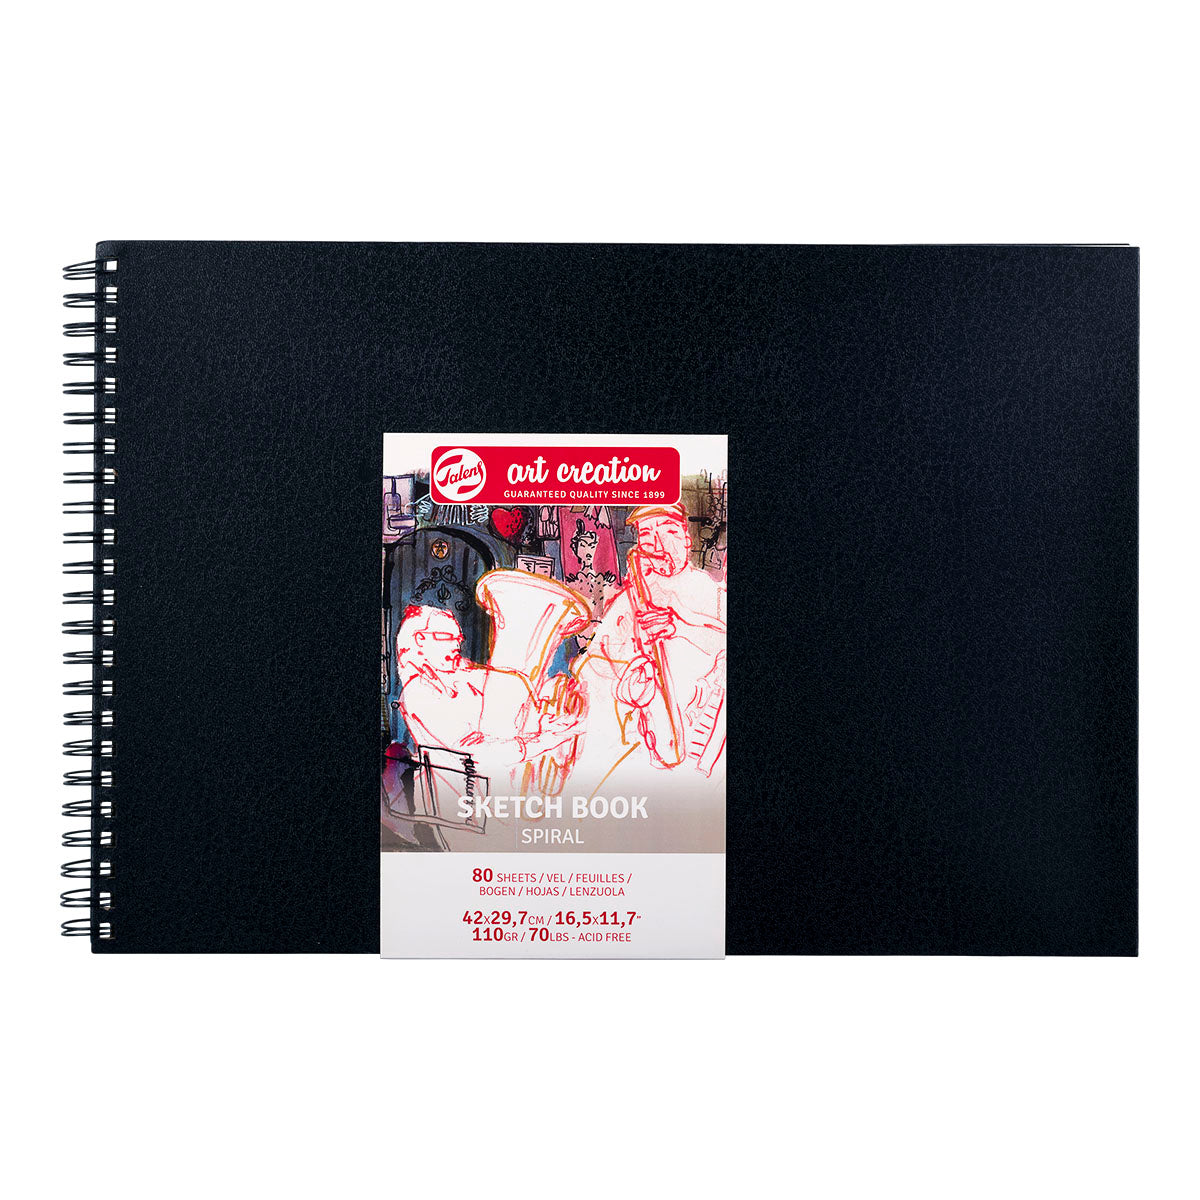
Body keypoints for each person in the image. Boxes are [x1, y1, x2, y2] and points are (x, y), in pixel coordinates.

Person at [572, 502, 727, 781]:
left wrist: (679, 626)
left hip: (704, 744)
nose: (657, 544)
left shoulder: (713, 592)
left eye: (667, 532)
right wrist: (619, 681)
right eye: (646, 535)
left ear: (686, 539)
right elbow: (592, 664)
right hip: (645, 744)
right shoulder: (629, 600)